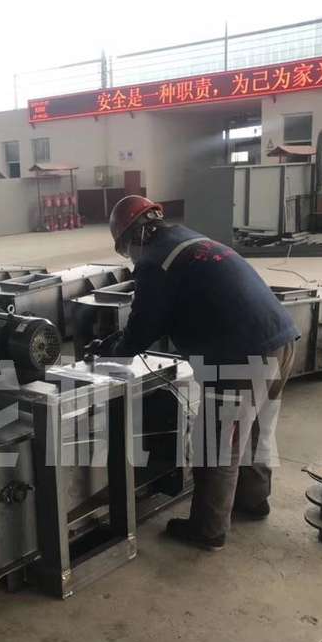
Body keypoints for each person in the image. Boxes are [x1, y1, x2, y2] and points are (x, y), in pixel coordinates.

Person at [94, 195, 299, 551]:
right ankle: (253, 500)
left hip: (241, 356)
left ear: (133, 237)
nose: (130, 257)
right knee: (255, 431)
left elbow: (142, 329)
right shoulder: (190, 239)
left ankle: (208, 529)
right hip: (281, 339)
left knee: (216, 445)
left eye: (126, 249)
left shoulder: (155, 261)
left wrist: (110, 352)